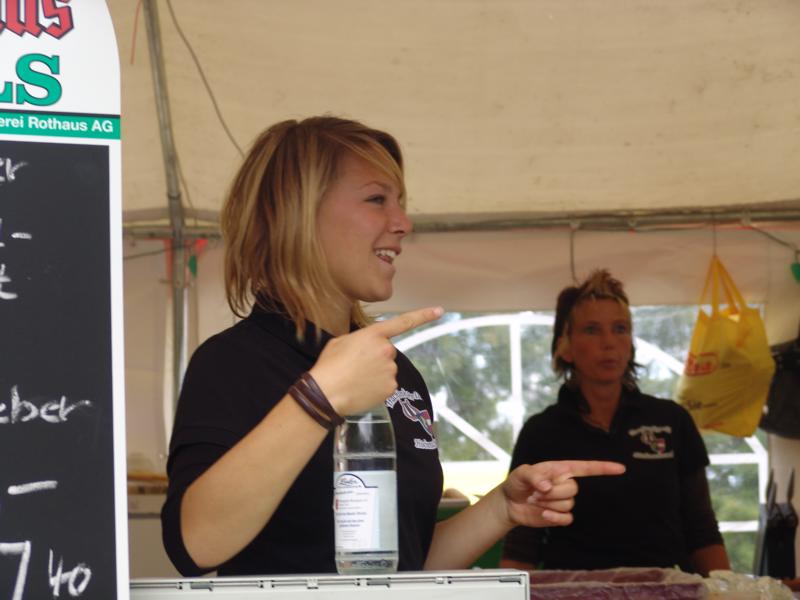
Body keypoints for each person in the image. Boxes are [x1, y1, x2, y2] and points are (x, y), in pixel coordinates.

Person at [160, 116, 625, 577]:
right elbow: (193, 544)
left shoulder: (396, 373)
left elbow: (403, 564)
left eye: (400, 202)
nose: (403, 223)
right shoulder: (233, 362)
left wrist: (501, 508)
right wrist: (319, 398)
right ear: (296, 214)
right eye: (377, 199)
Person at [500, 270, 730, 576]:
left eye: (620, 329)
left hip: (667, 589)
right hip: (573, 592)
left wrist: (727, 590)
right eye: (592, 330)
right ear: (565, 346)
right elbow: (522, 541)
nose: (609, 342)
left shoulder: (671, 420)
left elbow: (701, 527)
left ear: (631, 343)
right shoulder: (541, 432)